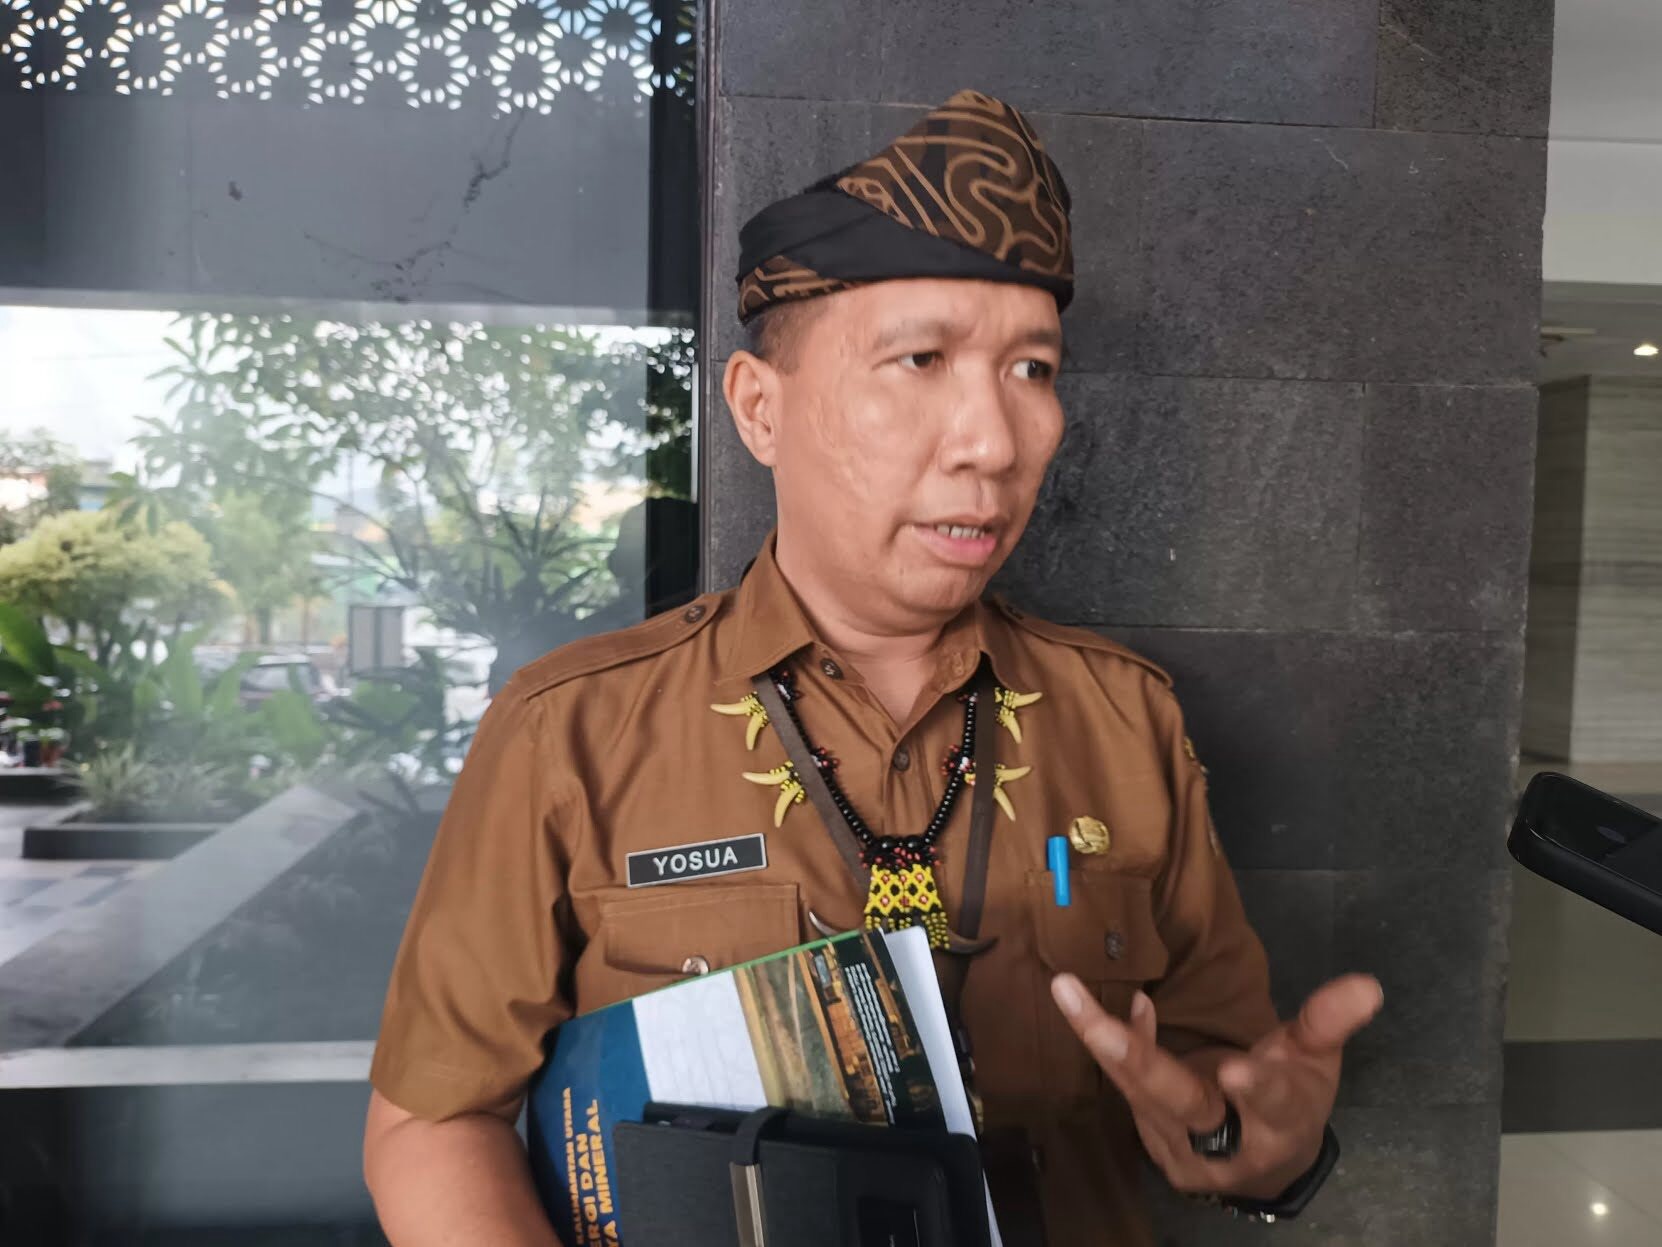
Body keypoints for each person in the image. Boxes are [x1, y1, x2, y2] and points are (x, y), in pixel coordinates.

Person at [363, 90, 1383, 1247]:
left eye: (1032, 369)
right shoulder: (574, 730)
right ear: (760, 406)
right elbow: (433, 1120)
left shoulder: (1124, 718)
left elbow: (1227, 1090)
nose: (993, 440)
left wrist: (1255, 1142)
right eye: (921, 358)